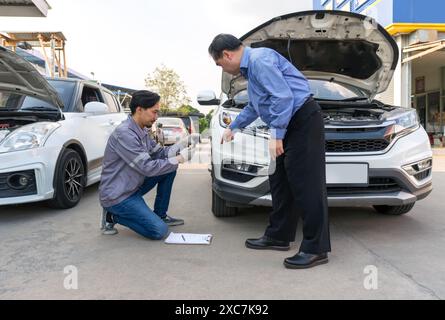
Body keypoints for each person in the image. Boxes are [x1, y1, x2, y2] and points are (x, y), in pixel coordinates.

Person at [208, 34, 331, 269]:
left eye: (219, 64)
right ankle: (279, 235)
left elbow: (282, 98)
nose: (222, 68)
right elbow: (255, 106)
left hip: (301, 120)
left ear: (226, 54)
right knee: (280, 181)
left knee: (307, 185)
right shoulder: (251, 70)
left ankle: (316, 249)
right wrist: (234, 126)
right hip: (289, 122)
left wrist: (277, 135)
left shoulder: (259, 61)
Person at [98, 90, 196, 239]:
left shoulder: (142, 131)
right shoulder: (125, 134)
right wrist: (179, 159)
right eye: (154, 112)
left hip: (133, 187)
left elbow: (160, 153)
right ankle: (111, 216)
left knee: (169, 169)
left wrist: (182, 144)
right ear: (139, 109)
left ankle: (160, 215)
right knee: (158, 231)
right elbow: (147, 167)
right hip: (118, 195)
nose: (156, 117)